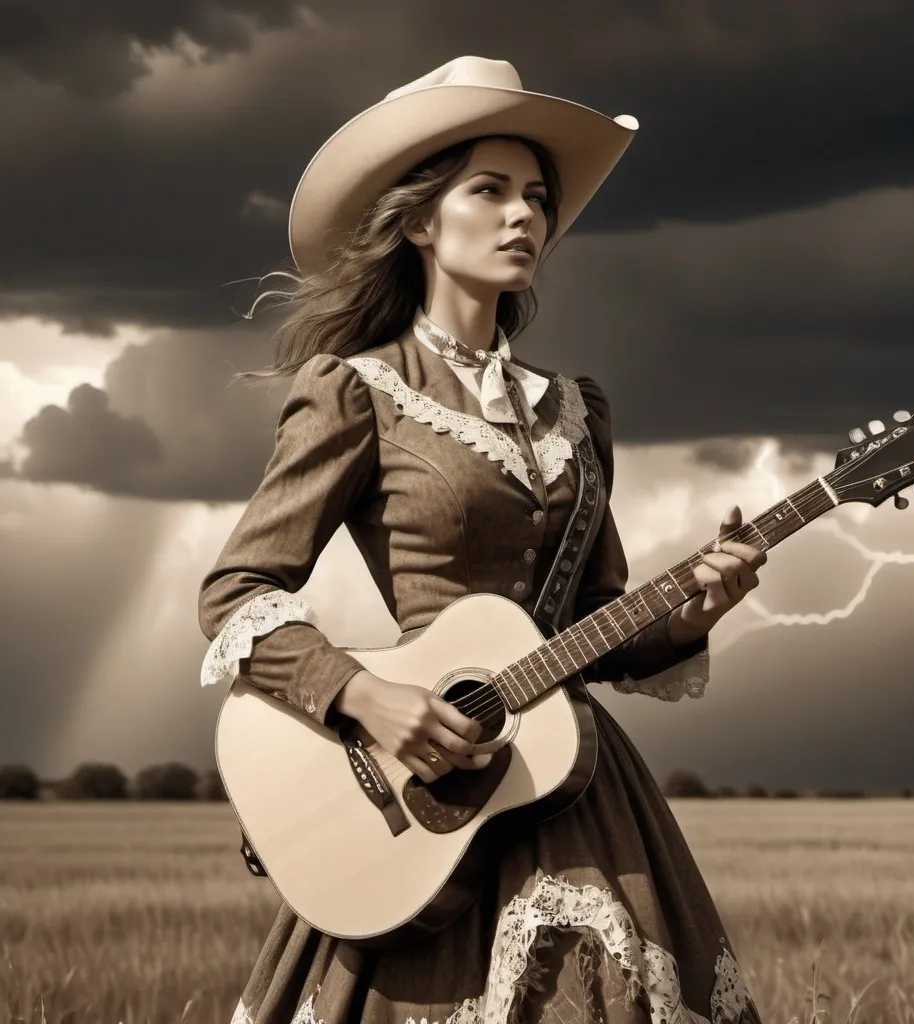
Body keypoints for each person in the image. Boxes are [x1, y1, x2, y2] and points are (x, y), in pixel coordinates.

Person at [198, 56, 767, 1024]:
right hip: (412, 792)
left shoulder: (579, 409)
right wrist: (364, 695)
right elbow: (236, 590)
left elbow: (592, 617)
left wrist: (689, 616)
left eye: (537, 198)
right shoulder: (355, 389)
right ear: (420, 218)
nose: (524, 217)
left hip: (576, 780)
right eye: (490, 191)